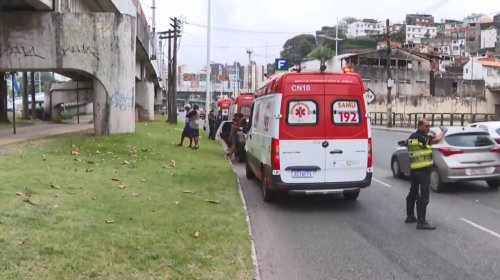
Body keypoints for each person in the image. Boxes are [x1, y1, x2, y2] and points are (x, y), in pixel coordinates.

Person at [405, 118, 447, 230]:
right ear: (420, 125)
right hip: (422, 171)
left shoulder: (412, 137)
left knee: (413, 192)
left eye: (429, 126)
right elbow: (437, 139)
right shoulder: (422, 138)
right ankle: (421, 222)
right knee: (423, 196)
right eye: (427, 126)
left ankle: (410, 216)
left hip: (415, 169)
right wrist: (443, 132)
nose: (428, 128)